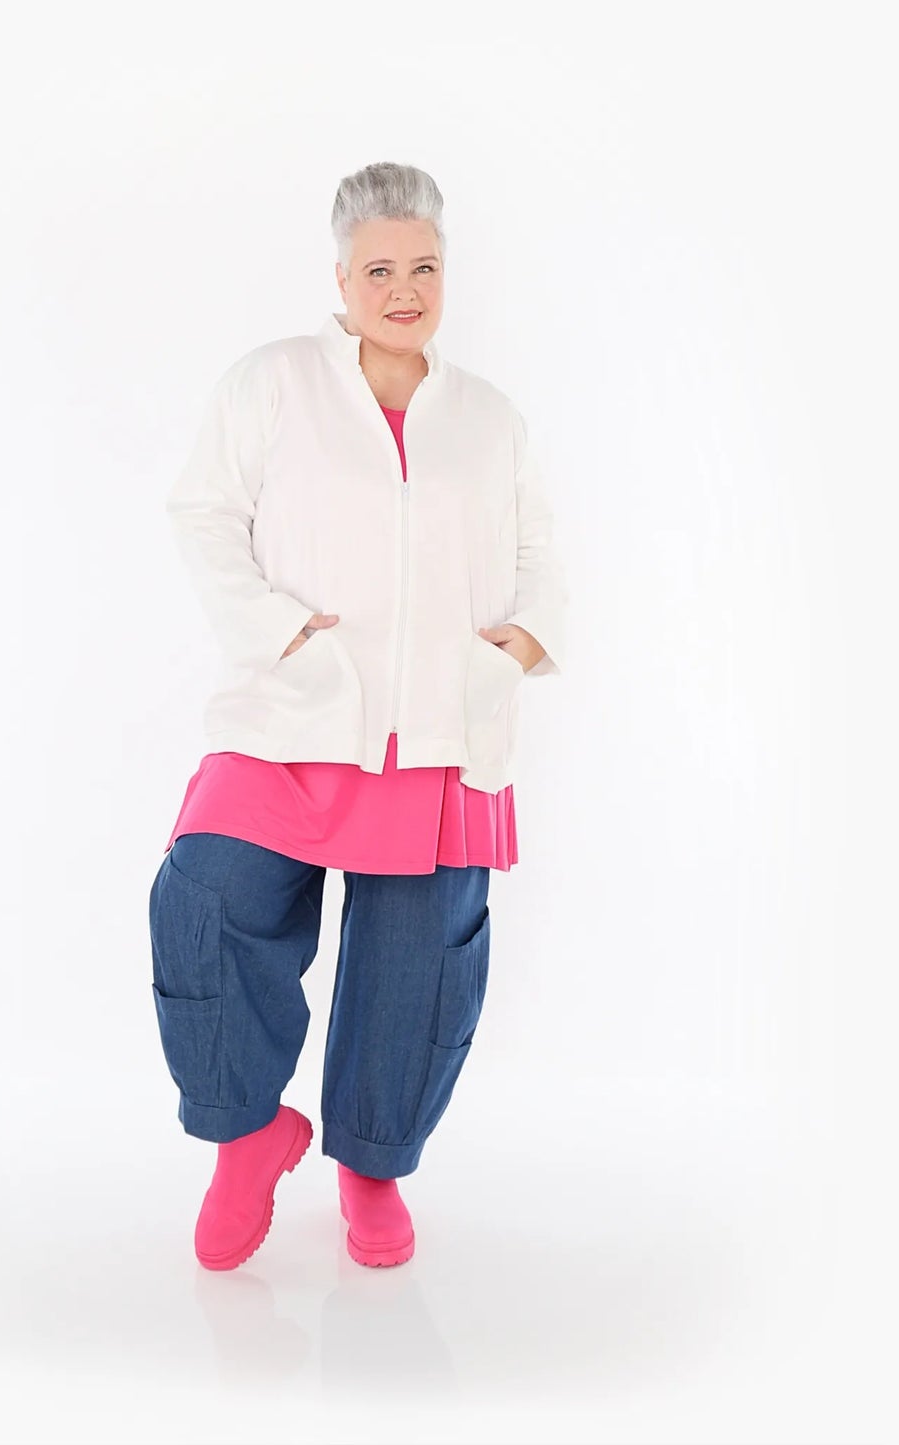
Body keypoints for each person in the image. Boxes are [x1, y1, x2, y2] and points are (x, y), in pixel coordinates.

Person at [148, 160, 569, 1270]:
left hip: (438, 729)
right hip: (292, 713)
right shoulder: (273, 382)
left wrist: (519, 645)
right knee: (205, 900)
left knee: (414, 966)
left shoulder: (488, 417)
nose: (403, 289)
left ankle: (372, 1164)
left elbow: (541, 552)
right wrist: (275, 629)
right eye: (378, 269)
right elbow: (203, 511)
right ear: (340, 277)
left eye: (423, 267)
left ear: (446, 274)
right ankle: (246, 1133)